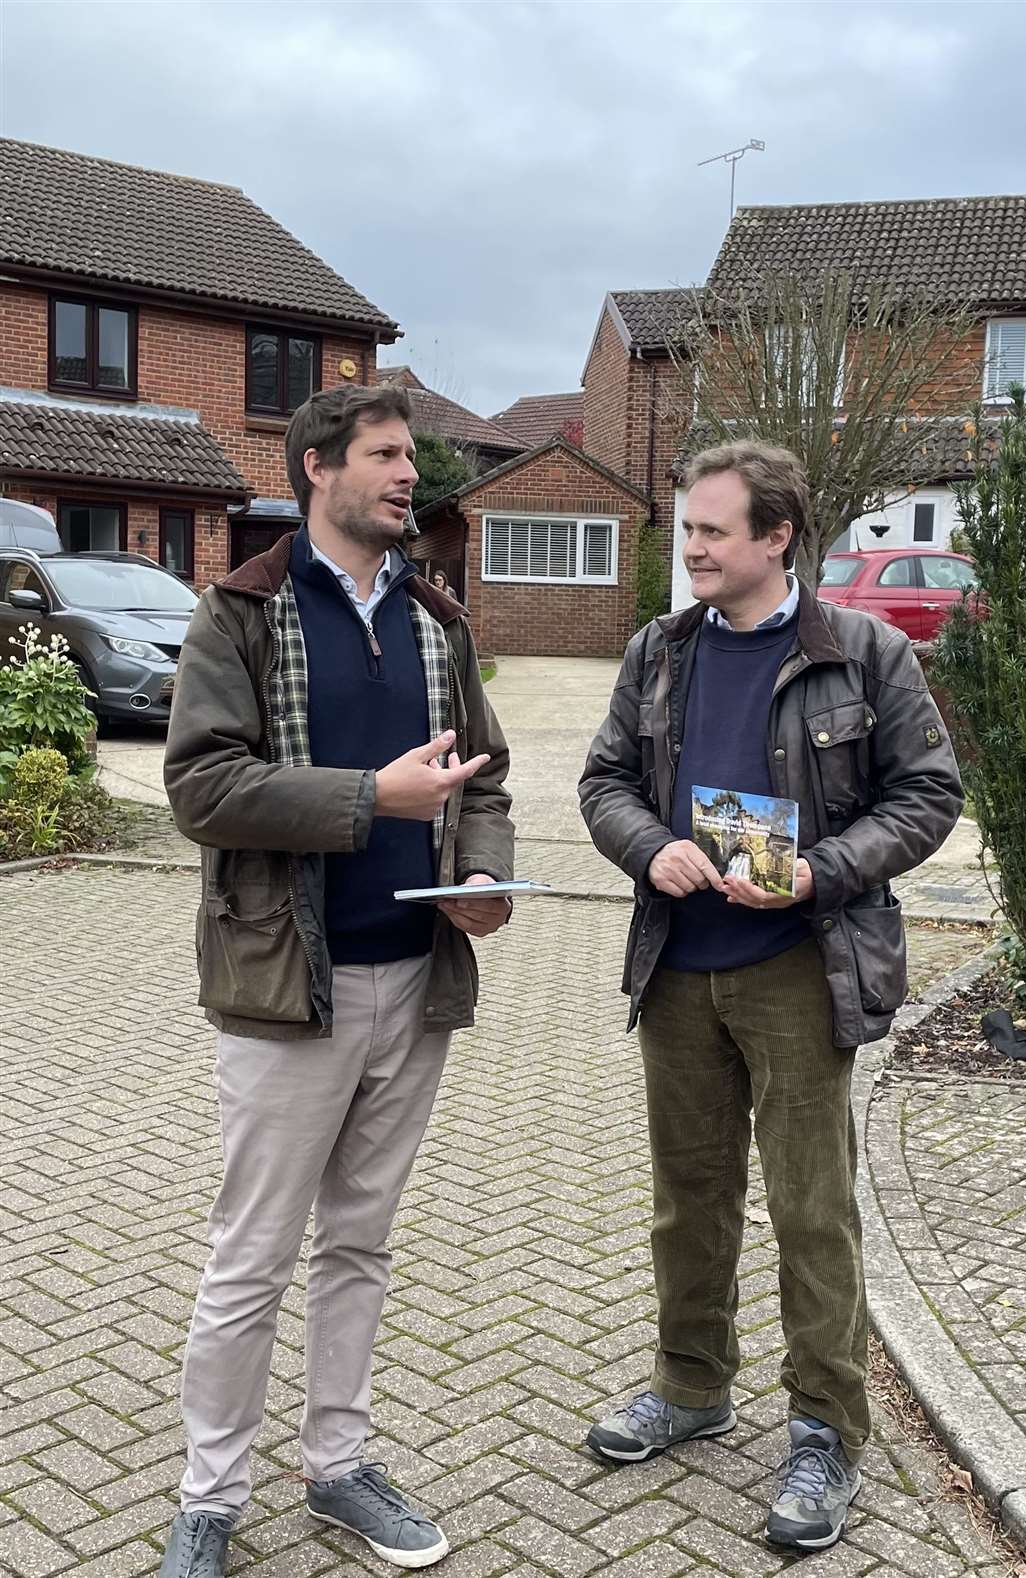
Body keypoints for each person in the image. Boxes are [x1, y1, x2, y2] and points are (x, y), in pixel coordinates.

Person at [578, 440, 962, 1552]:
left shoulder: (867, 654)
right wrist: (649, 847)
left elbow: (927, 794)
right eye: (686, 530)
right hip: (678, 969)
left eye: (709, 532)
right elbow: (603, 780)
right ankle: (691, 1388)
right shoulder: (659, 651)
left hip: (801, 966)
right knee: (685, 1202)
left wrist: (822, 869)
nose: (689, 549)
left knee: (811, 1210)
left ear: (776, 535)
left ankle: (826, 1430)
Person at [159, 383, 513, 1575]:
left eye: (411, 456)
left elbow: (488, 782)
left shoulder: (437, 619)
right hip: (284, 987)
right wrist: (375, 800)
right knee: (252, 1255)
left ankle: (340, 1467)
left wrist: (482, 876)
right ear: (319, 468)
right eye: (387, 455)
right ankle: (210, 1497)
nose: (410, 475)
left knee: (360, 1241)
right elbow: (202, 790)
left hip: (416, 979)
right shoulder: (241, 614)